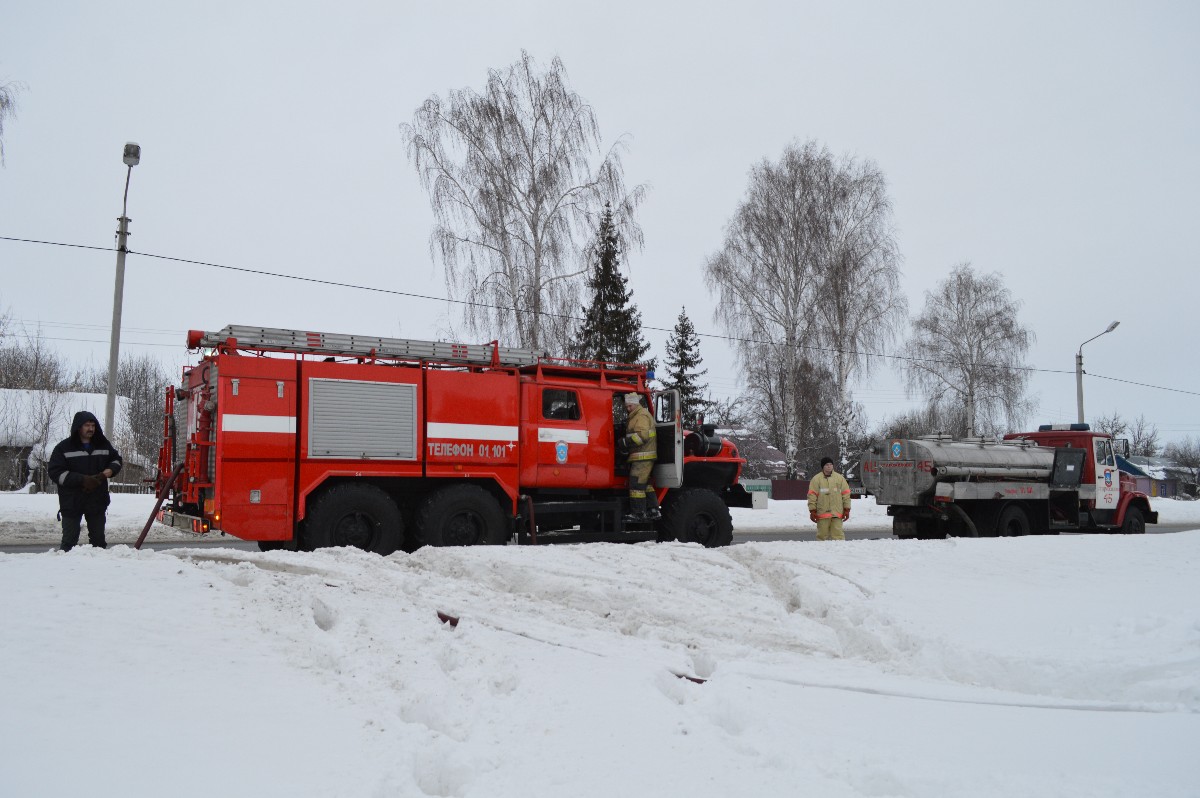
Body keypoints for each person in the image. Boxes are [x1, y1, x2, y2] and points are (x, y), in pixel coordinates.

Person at [47, 411, 123, 551]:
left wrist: (108, 472)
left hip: (97, 501)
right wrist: (82, 480)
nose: (91, 429)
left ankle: (97, 570)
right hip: (72, 501)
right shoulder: (63, 448)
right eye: (87, 425)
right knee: (68, 544)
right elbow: (55, 472)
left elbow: (117, 460)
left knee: (99, 543)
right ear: (78, 427)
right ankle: (66, 569)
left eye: (93, 425)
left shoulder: (103, 445)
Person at [620, 392, 660, 522]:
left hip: (643, 456)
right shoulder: (637, 415)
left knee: (636, 484)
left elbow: (642, 436)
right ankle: (653, 510)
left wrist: (626, 442)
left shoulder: (641, 415)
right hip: (642, 455)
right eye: (627, 406)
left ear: (636, 404)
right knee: (645, 484)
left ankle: (638, 513)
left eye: (630, 405)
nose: (628, 408)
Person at [808, 456, 851, 541]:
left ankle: (838, 552)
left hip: (837, 513)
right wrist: (812, 510)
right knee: (822, 537)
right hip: (822, 513)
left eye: (831, 464)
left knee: (838, 536)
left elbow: (846, 494)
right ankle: (822, 552)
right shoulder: (816, 479)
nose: (829, 466)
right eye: (827, 465)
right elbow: (812, 495)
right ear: (823, 466)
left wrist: (847, 509)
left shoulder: (840, 478)